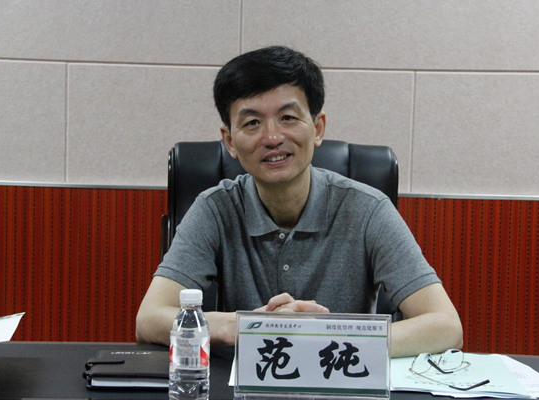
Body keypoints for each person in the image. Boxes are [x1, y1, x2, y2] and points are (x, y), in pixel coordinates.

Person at [136, 46, 463, 357]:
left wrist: (325, 335)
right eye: (252, 123)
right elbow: (149, 318)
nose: (272, 137)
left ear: (317, 128)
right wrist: (244, 326)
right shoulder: (214, 209)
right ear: (230, 141)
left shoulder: (367, 209)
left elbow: (446, 326)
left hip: (341, 380)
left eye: (288, 118)